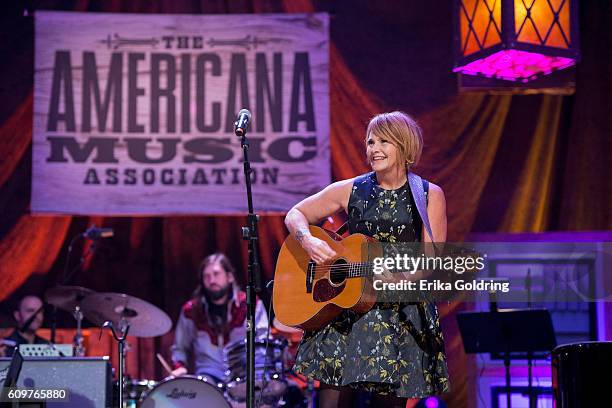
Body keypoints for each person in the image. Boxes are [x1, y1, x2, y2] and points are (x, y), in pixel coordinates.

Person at [284, 111, 450, 407]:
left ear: (404, 145)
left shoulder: (428, 195)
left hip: (397, 319)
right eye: (370, 141)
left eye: (383, 141)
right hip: (344, 313)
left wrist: (403, 279)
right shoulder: (351, 189)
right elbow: (295, 214)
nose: (373, 148)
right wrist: (307, 240)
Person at [170, 252, 269, 382]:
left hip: (245, 376)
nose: (211, 281)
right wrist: (179, 366)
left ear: (229, 277)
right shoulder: (191, 311)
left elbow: (264, 341)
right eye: (206, 276)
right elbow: (180, 348)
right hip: (208, 377)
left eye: (216, 274)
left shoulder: (251, 304)